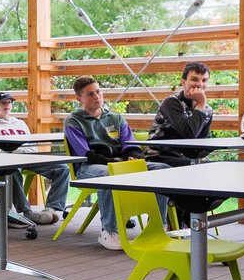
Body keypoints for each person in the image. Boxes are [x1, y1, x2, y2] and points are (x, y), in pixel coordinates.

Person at [65, 76, 165, 252]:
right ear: (79, 99)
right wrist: (119, 163)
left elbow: (131, 145)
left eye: (98, 91)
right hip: (90, 168)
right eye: (90, 94)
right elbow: (86, 154)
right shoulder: (73, 121)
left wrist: (133, 157)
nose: (96, 96)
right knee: (109, 175)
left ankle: (158, 226)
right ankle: (109, 231)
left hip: (122, 165)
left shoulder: (116, 118)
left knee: (163, 170)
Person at [146, 63, 223, 219]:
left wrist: (209, 150)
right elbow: (188, 133)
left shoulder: (207, 110)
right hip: (160, 155)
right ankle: (189, 215)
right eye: (194, 79)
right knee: (193, 170)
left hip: (185, 156)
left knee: (216, 169)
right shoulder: (172, 103)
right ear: (183, 82)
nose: (200, 84)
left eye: (204, 80)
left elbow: (199, 144)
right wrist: (200, 105)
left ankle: (193, 214)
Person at [0, 91, 68, 224]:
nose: (7, 105)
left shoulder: (20, 123)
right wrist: (10, 155)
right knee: (11, 169)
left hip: (29, 157)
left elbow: (32, 145)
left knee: (62, 168)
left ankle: (52, 208)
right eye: (3, 103)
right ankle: (26, 211)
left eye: (9, 102)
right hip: (10, 159)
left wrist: (24, 152)